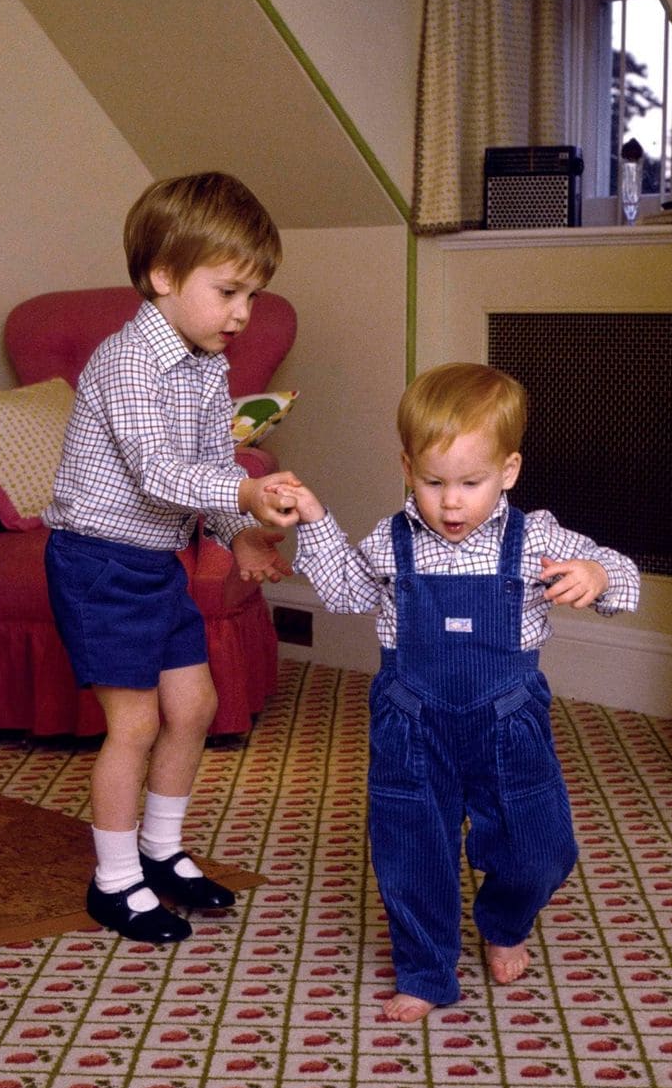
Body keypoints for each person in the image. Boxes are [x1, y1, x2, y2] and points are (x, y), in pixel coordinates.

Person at [271, 362, 640, 1022]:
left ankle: (503, 919)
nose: (450, 503)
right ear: (407, 467)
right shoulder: (391, 541)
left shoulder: (538, 539)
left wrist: (596, 575)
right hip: (411, 724)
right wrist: (316, 519)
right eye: (434, 482)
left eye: (470, 483)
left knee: (541, 848)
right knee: (411, 850)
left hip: (510, 722)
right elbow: (347, 591)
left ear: (509, 470)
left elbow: (618, 569)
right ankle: (425, 970)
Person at [43, 172, 301, 945]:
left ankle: (160, 853)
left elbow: (197, 477)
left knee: (194, 707)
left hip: (156, 561)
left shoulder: (204, 366)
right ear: (163, 275)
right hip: (98, 562)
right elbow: (159, 471)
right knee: (136, 723)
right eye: (228, 292)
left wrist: (236, 531)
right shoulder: (128, 363)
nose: (243, 315)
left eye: (253, 297)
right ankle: (113, 881)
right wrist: (250, 492)